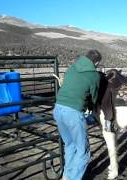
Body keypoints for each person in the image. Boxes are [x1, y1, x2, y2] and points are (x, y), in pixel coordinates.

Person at [53, 49, 101, 180]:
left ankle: (67, 176)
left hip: (58, 109)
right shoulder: (94, 75)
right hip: (73, 113)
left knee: (70, 145)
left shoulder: (72, 67)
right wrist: (91, 107)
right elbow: (94, 98)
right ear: (96, 62)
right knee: (83, 151)